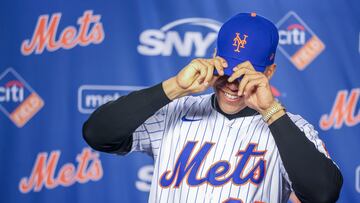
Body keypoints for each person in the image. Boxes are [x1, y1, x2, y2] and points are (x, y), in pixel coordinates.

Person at [82, 13, 342, 203]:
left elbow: (323, 193)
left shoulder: (289, 126)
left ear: (270, 72)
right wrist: (175, 87)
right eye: (227, 71)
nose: (231, 84)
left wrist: (271, 110)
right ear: (215, 56)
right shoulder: (177, 109)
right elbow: (97, 133)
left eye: (243, 75)